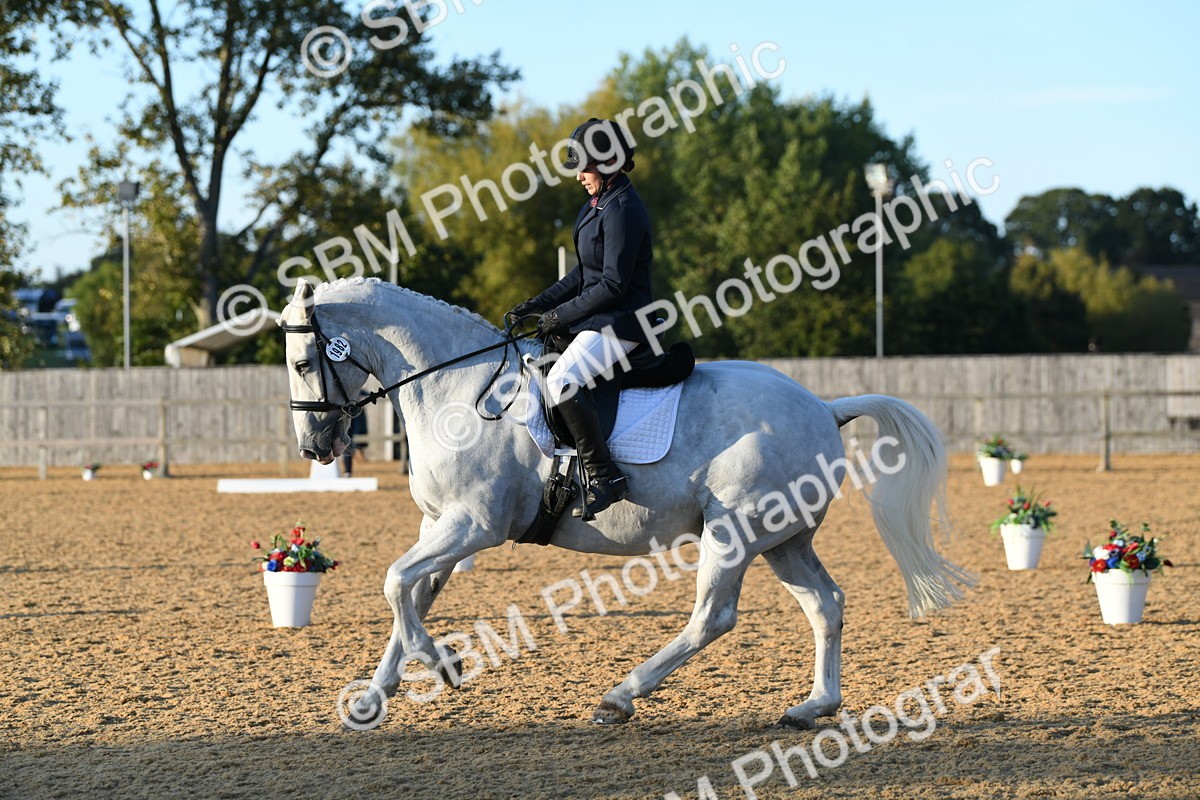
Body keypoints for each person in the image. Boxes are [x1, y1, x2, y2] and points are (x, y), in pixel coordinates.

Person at [509, 118, 654, 517]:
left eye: (585, 167)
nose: (579, 176)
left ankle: (605, 476)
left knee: (562, 378)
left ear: (607, 164)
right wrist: (536, 304)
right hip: (596, 319)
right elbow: (582, 274)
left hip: (620, 323)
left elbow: (612, 285)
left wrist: (560, 315)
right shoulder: (597, 204)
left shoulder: (623, 209)